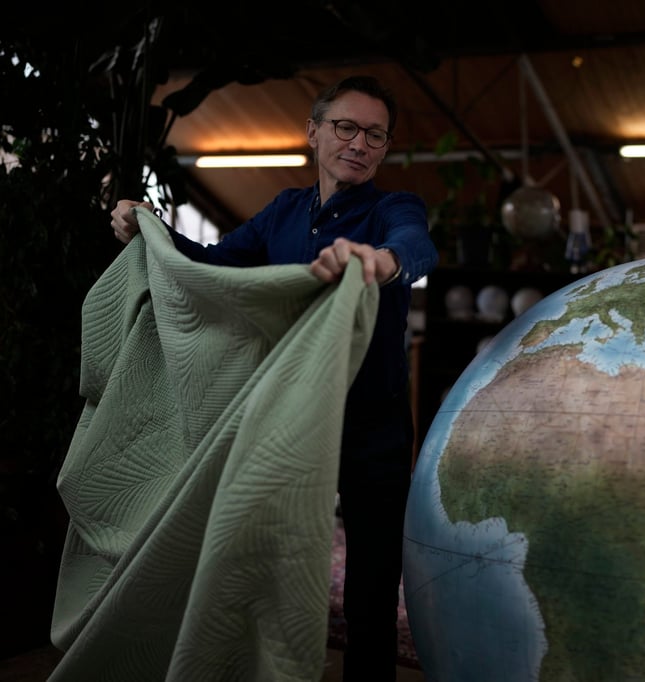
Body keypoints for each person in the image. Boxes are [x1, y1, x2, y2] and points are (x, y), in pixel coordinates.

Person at [109, 75, 438, 681]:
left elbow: (415, 246)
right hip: (288, 420)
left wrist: (381, 260)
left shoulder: (393, 209)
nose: (359, 144)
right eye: (346, 127)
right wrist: (149, 226)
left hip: (374, 427)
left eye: (375, 135)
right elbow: (211, 265)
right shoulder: (283, 211)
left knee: (370, 590)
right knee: (268, 564)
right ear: (313, 131)